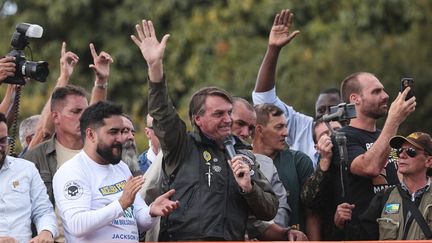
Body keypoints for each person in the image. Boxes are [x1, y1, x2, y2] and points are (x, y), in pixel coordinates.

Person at [131, 19, 278, 241]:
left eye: (229, 113)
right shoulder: (181, 146)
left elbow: (269, 209)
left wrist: (249, 188)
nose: (228, 120)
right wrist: (155, 68)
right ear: (198, 119)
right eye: (219, 114)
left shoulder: (244, 156)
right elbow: (161, 112)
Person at [52, 101, 179, 242]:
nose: (120, 138)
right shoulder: (72, 171)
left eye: (121, 131)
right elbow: (77, 225)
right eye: (113, 132)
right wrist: (121, 204)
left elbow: (140, 221)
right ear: (91, 135)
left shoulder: (121, 168)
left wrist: (152, 211)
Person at [322, 72, 416, 240]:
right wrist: (393, 120)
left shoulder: (386, 135)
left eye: (384, 91)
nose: (386, 96)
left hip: (396, 231)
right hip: (363, 235)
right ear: (355, 98)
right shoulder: (342, 137)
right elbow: (370, 167)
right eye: (376, 92)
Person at [252, 9, 341, 169]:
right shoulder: (303, 127)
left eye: (333, 109)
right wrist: (273, 50)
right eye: (321, 110)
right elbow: (263, 100)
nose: (326, 114)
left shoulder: (359, 133)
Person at [335, 132, 432, 240]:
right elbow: (363, 237)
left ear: (429, 161)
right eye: (400, 150)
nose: (402, 155)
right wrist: (343, 224)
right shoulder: (385, 197)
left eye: (411, 152)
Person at [253, 103, 314, 232]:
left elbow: (312, 214)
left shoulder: (298, 161)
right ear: (259, 130)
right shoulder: (241, 161)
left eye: (286, 126)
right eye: (279, 127)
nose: (286, 133)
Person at [0, 112, 58, 243]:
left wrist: (46, 232)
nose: (0, 147)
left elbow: (43, 210)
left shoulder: (26, 168)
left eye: (3, 141)